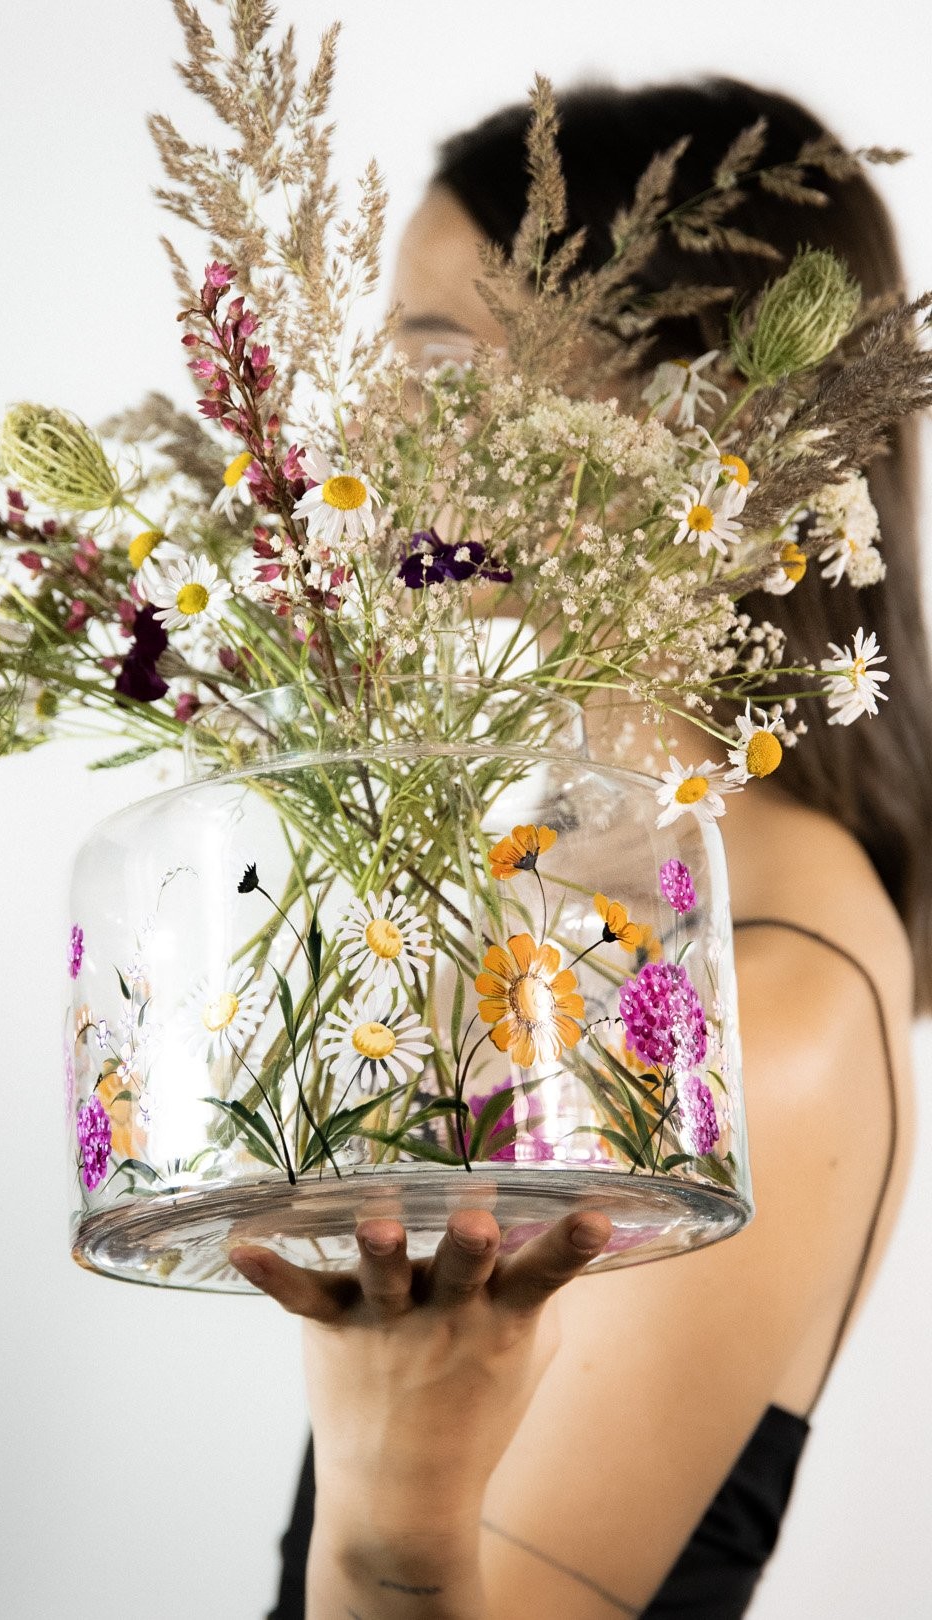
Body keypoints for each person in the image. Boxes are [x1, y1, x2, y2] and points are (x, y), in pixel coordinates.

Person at [234, 77, 932, 1619]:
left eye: (440, 359)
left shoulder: (770, 1000)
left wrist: (383, 1512)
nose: (371, 430)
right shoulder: (551, 878)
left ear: (687, 410)